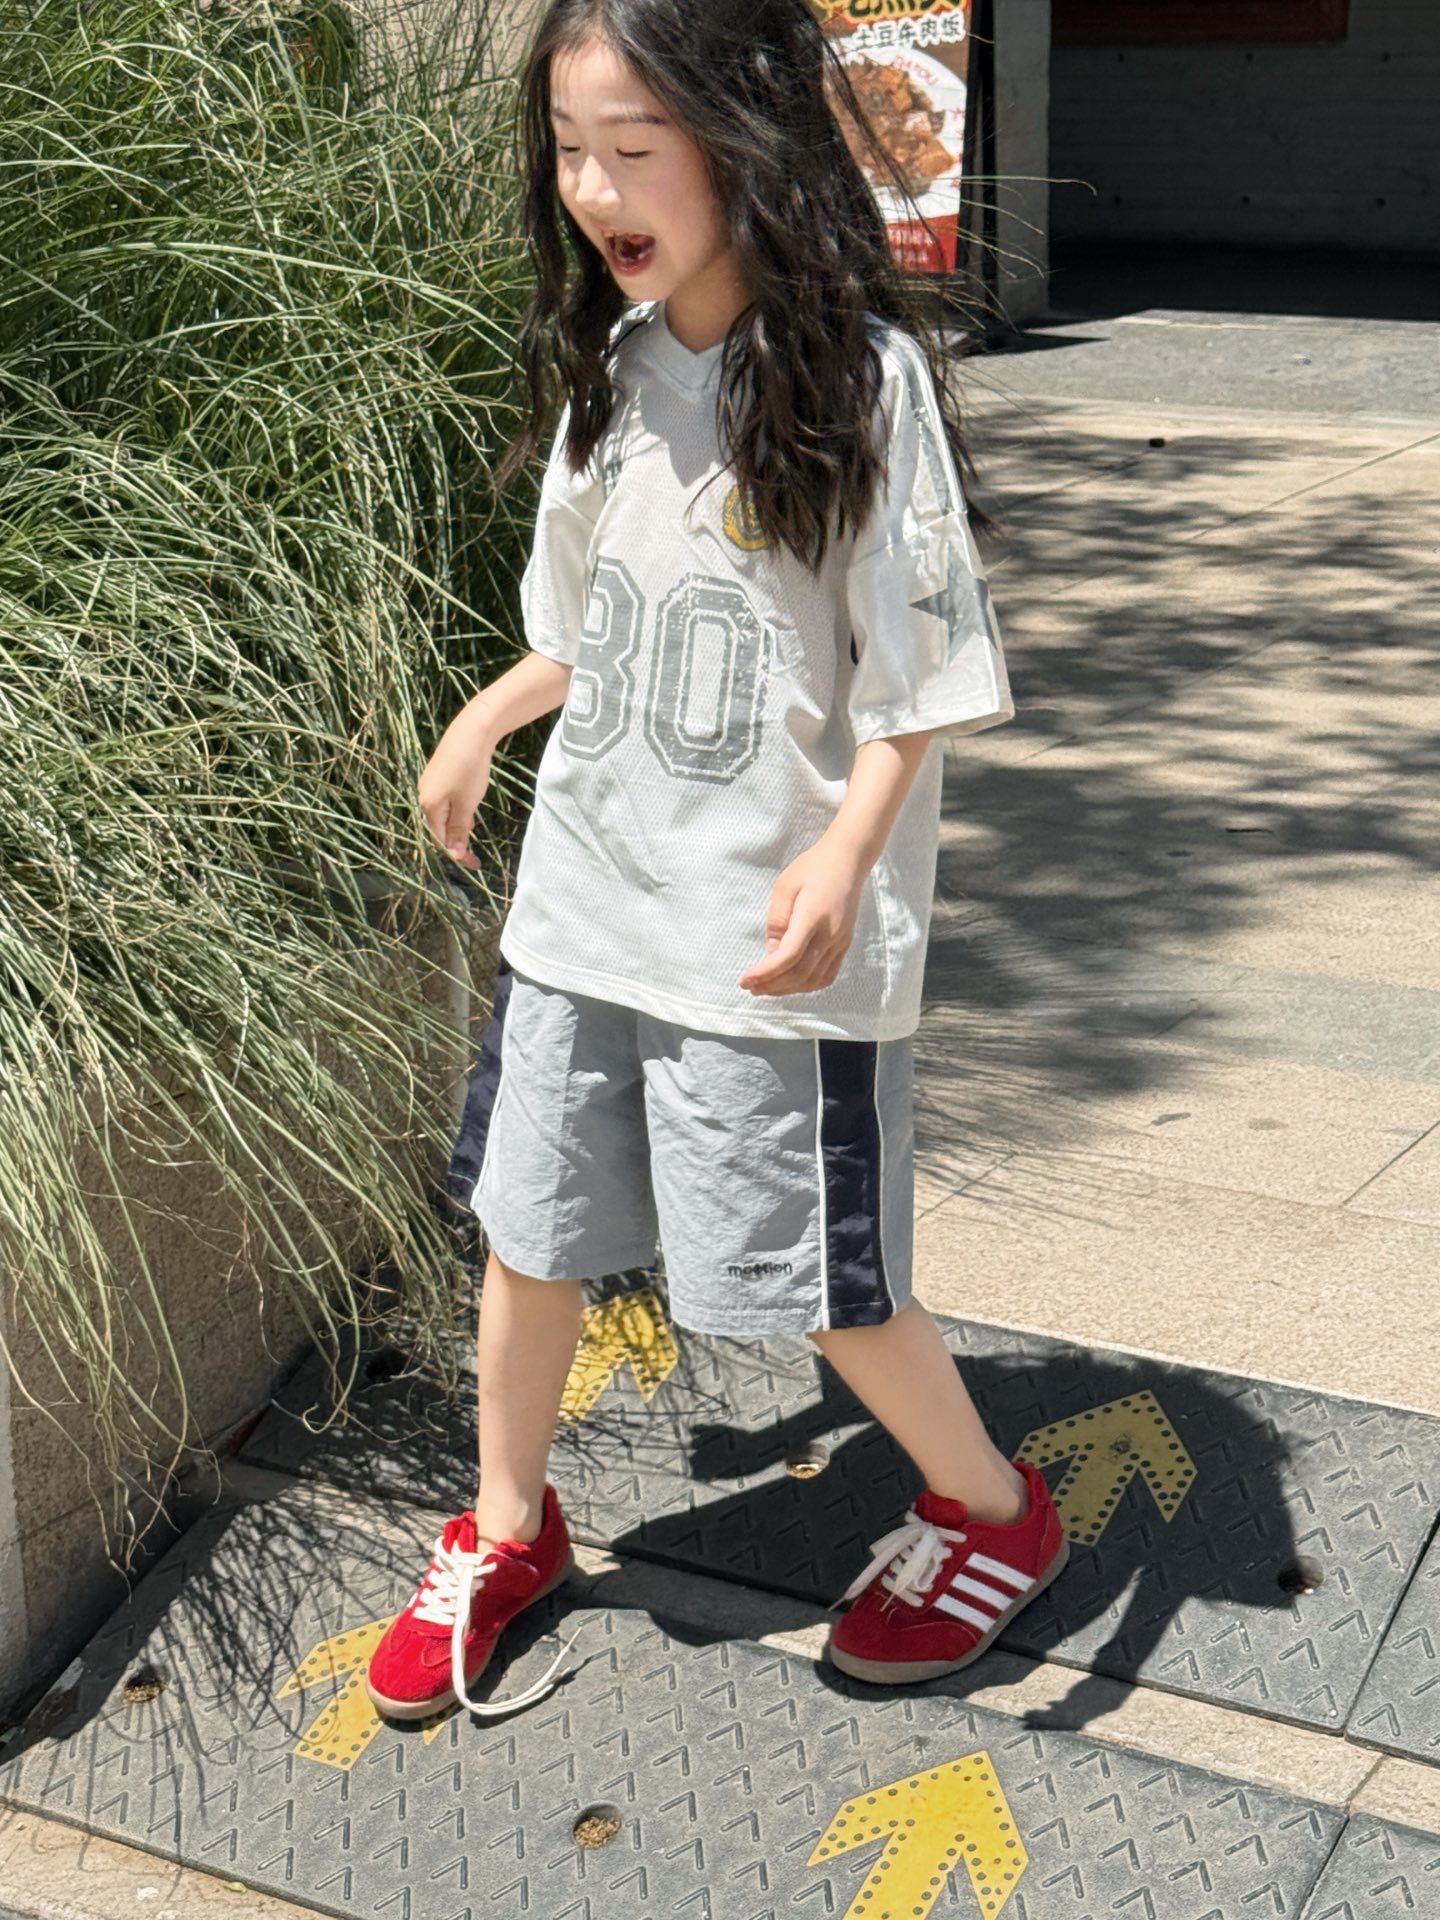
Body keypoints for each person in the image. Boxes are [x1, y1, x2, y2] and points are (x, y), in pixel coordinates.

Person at [364, 0, 1068, 1724]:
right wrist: (493, 710)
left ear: (743, 142)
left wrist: (846, 852)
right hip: (582, 906)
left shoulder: (860, 382)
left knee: (822, 1280)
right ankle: (509, 1527)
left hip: (765, 939)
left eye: (632, 148)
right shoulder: (613, 369)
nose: (592, 188)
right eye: (568, 150)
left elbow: (921, 676)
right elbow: (583, 623)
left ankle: (994, 1508)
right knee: (527, 1231)